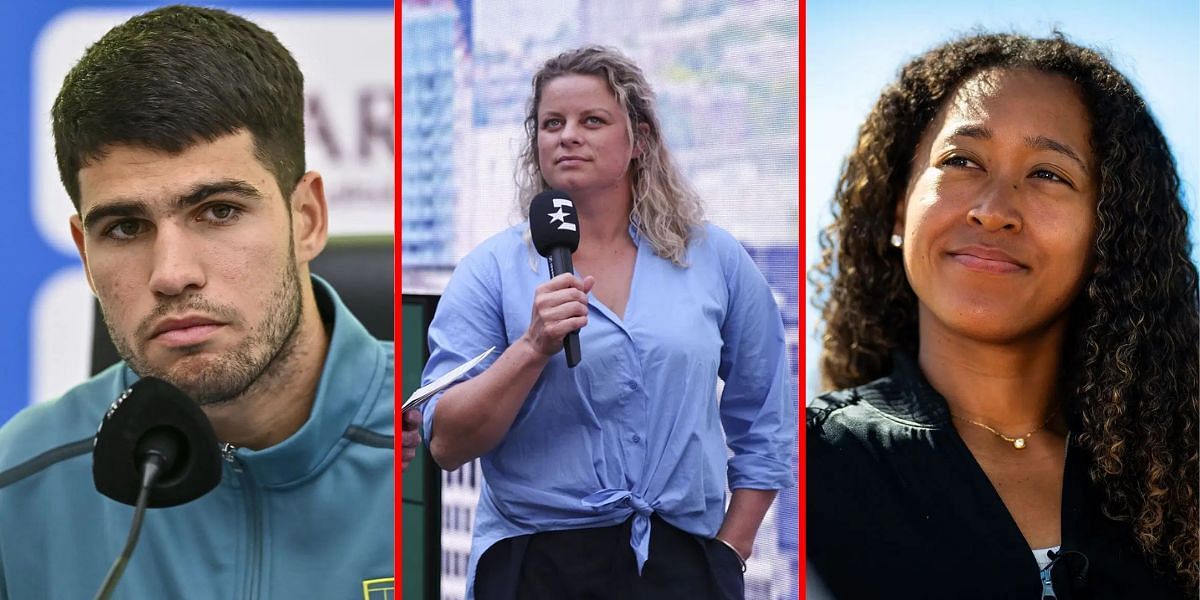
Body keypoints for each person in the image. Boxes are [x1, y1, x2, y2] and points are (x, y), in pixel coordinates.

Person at [0, 6, 403, 598]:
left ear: (307, 219)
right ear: (85, 254)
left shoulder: (465, 446)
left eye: (218, 211)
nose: (171, 273)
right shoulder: (19, 485)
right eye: (125, 228)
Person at [807, 32, 1198, 599]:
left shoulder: (1178, 481)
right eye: (961, 160)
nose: (993, 211)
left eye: (1048, 174)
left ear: (1108, 235)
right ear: (899, 206)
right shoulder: (808, 467)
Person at [419, 46, 795, 599]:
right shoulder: (491, 270)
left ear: (638, 139)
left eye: (591, 120)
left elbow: (766, 419)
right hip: (537, 565)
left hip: (682, 561)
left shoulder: (714, 258)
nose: (568, 135)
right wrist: (531, 346)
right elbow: (447, 442)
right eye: (552, 123)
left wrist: (729, 551)